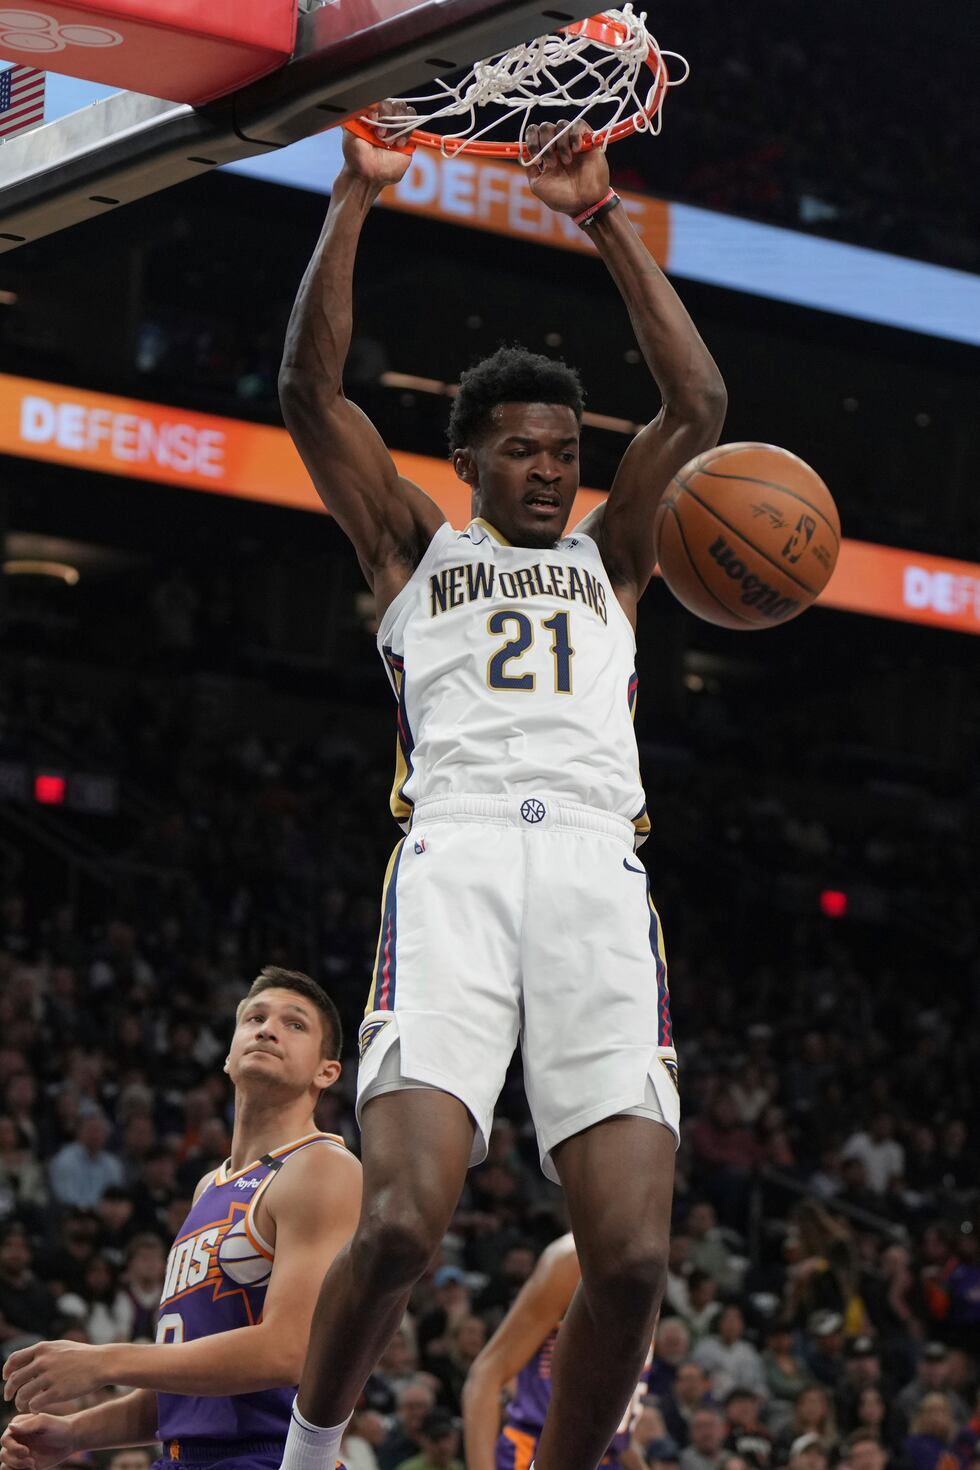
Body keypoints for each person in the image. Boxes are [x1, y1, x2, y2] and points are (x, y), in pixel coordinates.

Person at [277, 91, 725, 1470]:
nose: (550, 467)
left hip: (597, 869)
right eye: (522, 450)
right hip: (460, 856)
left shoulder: (618, 555)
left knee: (636, 1257)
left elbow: (699, 401)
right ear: (469, 462)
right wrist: (355, 195)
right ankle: (304, 1456)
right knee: (403, 1222)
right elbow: (310, 392)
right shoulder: (414, 544)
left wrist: (600, 213)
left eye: (565, 451)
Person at [0, 968, 361, 1470]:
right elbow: (184, 1390)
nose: (268, 1029)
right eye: (255, 1018)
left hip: (267, 1456)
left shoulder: (322, 1166)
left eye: (294, 1024)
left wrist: (103, 1360)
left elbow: (288, 1351)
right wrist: (72, 1432)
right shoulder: (208, 1187)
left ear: (327, 1072)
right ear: (229, 1056)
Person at [461, 1233, 658, 1470]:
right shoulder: (574, 1258)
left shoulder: (651, 1262)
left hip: (605, 1456)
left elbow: (612, 1421)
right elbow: (486, 1375)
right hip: (537, 1452)